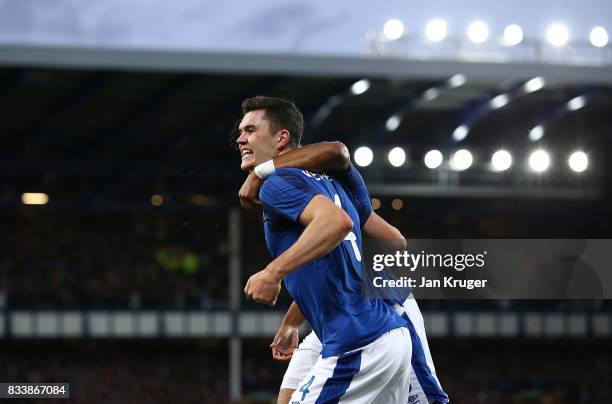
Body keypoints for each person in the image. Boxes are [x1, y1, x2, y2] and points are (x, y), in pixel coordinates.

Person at [238, 142, 449, 404]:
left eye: (250, 130)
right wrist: (291, 322)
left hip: (382, 308)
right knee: (288, 397)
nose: (241, 139)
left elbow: (337, 151)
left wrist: (260, 173)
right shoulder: (331, 189)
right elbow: (395, 241)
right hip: (336, 319)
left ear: (282, 139)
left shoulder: (296, 185)